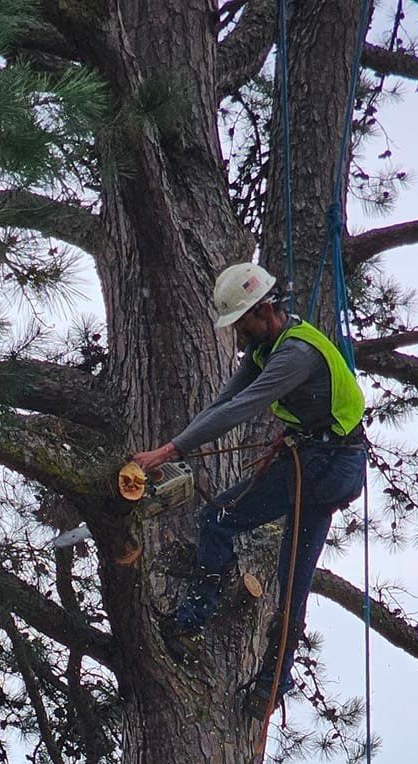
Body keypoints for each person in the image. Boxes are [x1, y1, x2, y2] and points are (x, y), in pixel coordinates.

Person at [131, 261, 368, 718]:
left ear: (262, 310)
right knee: (292, 580)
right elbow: (224, 401)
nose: (238, 335)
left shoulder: (295, 355)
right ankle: (271, 685)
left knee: (217, 519)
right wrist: (173, 448)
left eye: (241, 324)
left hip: (326, 464)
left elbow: (242, 409)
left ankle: (191, 622)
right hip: (327, 461)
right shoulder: (266, 347)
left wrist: (169, 451)